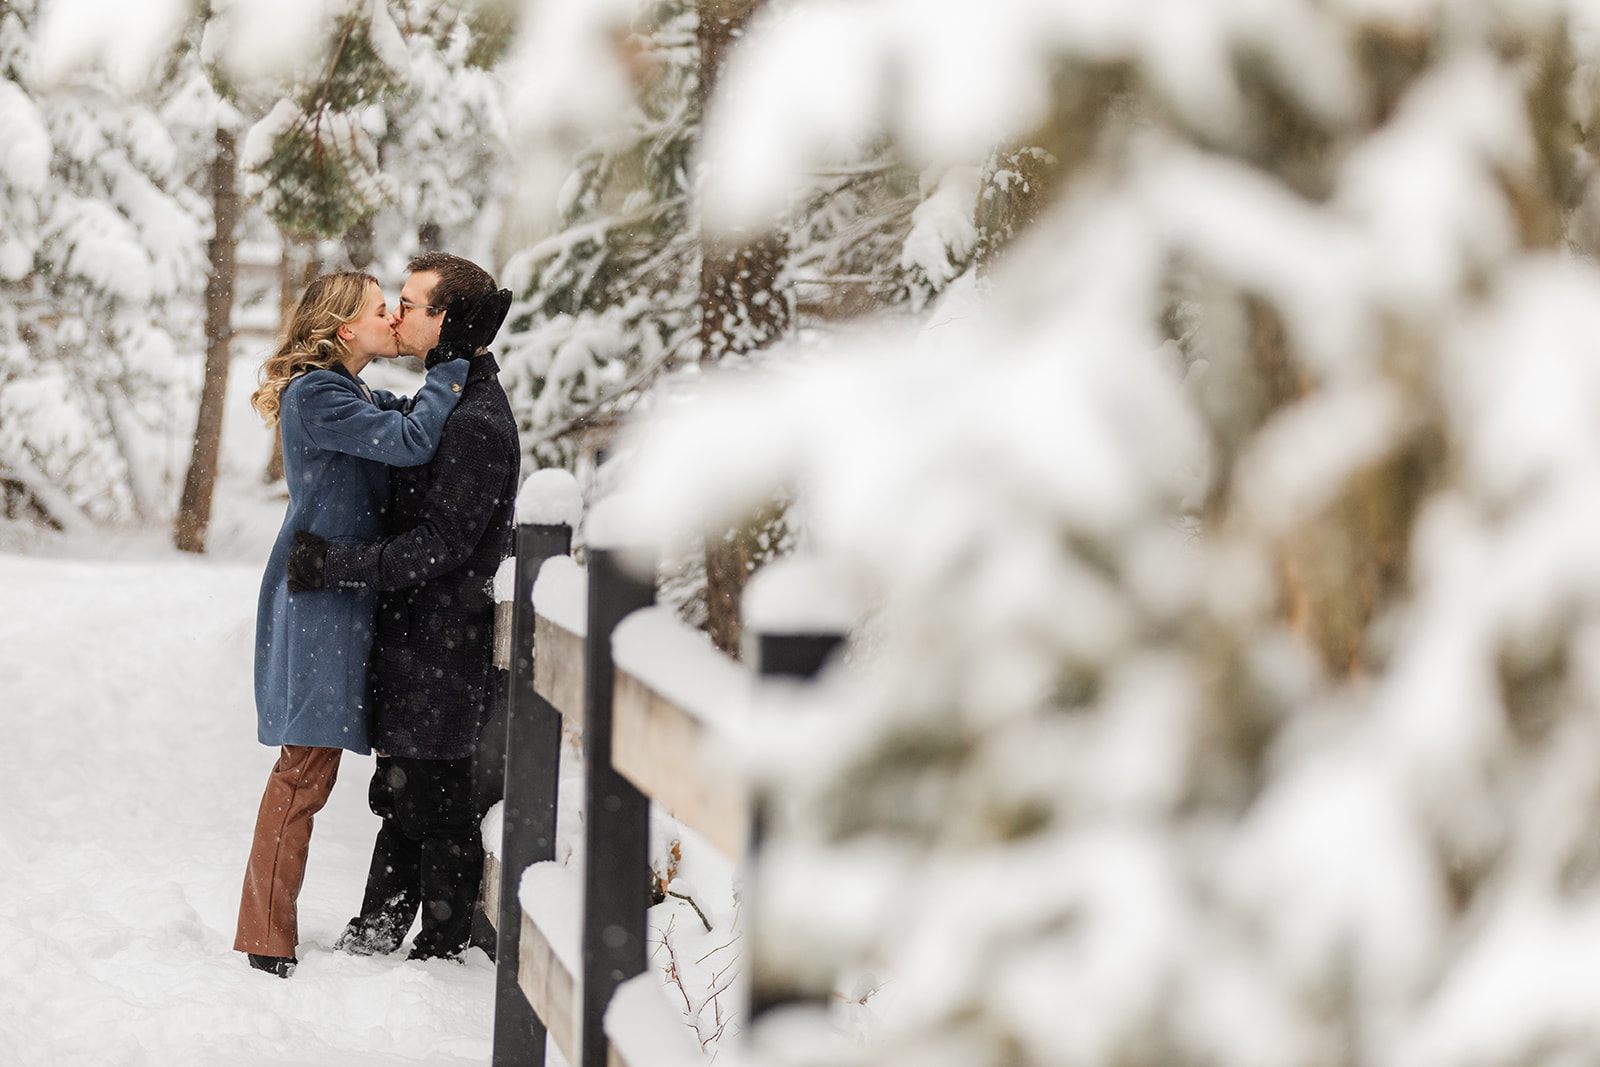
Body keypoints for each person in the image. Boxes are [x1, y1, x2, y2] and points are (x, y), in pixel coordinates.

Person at [237, 271, 472, 979]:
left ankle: (267, 929)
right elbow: (413, 439)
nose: (394, 319)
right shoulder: (318, 395)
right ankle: (264, 937)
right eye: (380, 310)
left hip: (340, 598)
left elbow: (412, 419)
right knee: (304, 770)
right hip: (318, 604)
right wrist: (452, 365)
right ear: (345, 329)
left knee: (311, 768)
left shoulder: (352, 392)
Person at [287, 251, 518, 962]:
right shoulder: (447, 399)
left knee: (437, 800)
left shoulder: (475, 419)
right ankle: (377, 932)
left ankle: (440, 954)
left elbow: (443, 544)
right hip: (415, 638)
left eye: (410, 305)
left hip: (444, 642)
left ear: (447, 319)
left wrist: (338, 565)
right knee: (402, 793)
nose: (397, 316)